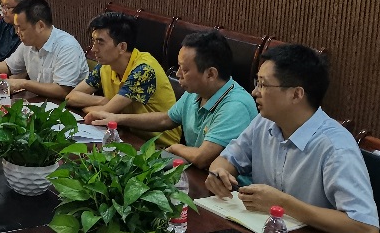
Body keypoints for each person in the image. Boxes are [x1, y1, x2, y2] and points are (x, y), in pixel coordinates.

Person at [206, 44, 379, 233]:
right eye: (256, 83)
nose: (254, 92)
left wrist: (284, 204)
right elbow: (227, 160)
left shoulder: (335, 147)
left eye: (263, 85)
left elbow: (367, 230)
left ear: (296, 94)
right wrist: (219, 173)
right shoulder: (264, 122)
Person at [85, 31, 256, 166]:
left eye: (185, 69)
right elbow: (166, 119)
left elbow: (202, 157)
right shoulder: (196, 92)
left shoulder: (235, 106)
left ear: (210, 74)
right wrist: (116, 118)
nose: (178, 74)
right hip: (193, 171)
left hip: (229, 191)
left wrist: (176, 148)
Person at [67, 12, 180, 147]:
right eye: (93, 41)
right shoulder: (105, 65)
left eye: (100, 42)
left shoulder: (144, 70)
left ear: (122, 47)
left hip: (159, 145)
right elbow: (71, 97)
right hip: (125, 134)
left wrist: (100, 108)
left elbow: (102, 114)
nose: (94, 49)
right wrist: (102, 101)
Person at [0, 0, 88, 100]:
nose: (17, 32)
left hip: (68, 108)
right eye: (16, 28)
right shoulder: (28, 44)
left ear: (40, 26)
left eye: (21, 28)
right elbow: (9, 66)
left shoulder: (67, 47)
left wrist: (24, 83)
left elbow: (62, 91)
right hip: (41, 102)